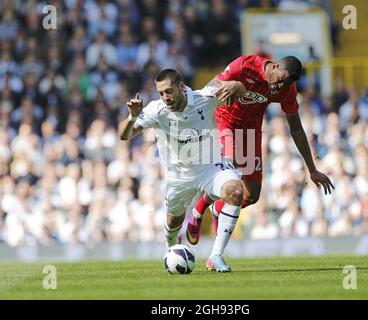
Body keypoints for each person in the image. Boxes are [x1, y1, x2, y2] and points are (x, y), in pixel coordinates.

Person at [186, 55, 335, 244]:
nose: (280, 87)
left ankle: (216, 209)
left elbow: (296, 129)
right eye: (280, 80)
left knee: (251, 195)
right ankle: (198, 211)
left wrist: (312, 169)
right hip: (225, 122)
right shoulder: (245, 66)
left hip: (250, 131)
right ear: (274, 66)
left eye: (285, 84)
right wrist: (225, 86)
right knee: (230, 163)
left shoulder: (287, 89)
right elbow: (209, 88)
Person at [119, 69, 245, 272]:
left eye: (168, 91)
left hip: (211, 167)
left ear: (181, 86)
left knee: (236, 191)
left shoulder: (206, 97)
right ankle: (170, 249)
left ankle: (216, 256)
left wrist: (238, 86)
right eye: (161, 93)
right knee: (173, 221)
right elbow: (124, 135)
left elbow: (241, 90)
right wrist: (133, 117)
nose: (165, 97)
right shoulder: (156, 110)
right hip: (178, 176)